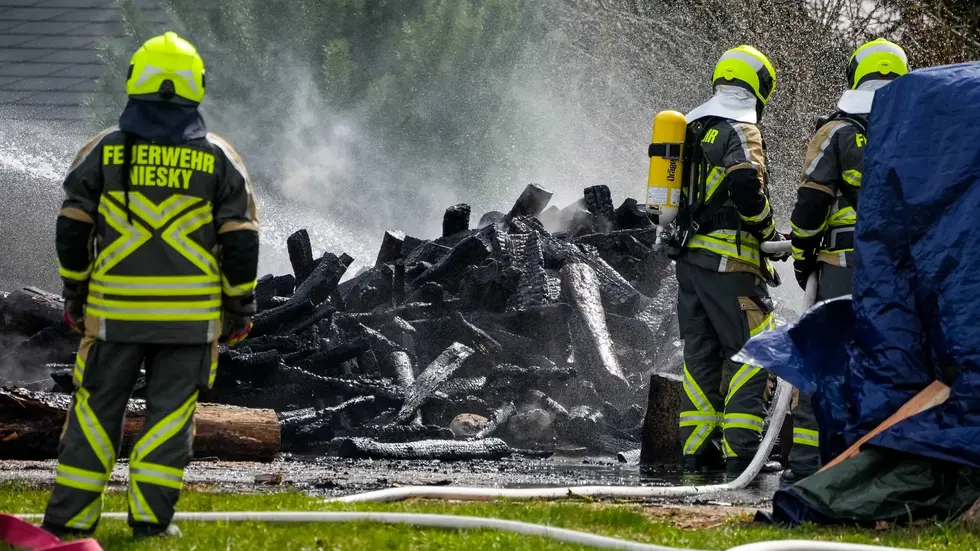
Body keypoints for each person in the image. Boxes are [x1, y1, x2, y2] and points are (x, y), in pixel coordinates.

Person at [42, 31, 259, 538]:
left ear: (134, 80)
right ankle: (151, 524)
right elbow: (242, 241)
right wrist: (240, 307)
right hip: (190, 322)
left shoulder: (101, 150)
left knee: (94, 413)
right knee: (168, 420)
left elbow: (72, 227)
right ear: (196, 86)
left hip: (114, 316)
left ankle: (69, 523)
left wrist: (75, 293)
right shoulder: (220, 158)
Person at [784, 38, 909, 484]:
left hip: (842, 266)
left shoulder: (836, 131)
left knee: (825, 361)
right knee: (891, 363)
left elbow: (810, 206)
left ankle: (807, 470)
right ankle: (876, 471)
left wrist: (801, 261)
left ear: (857, 75)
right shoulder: (917, 129)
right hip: (900, 272)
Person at [673, 45, 787, 475]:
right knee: (753, 352)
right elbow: (745, 188)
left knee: (700, 356)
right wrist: (768, 234)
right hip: (731, 264)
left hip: (690, 261)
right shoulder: (740, 128)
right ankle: (742, 452)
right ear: (759, 87)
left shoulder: (690, 125)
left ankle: (696, 452)